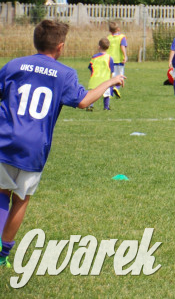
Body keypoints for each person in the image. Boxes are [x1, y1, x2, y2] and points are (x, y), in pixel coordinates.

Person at [0, 20, 125, 268]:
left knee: (1, 193)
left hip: (5, 138)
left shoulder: (13, 65)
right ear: (60, 46)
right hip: (35, 147)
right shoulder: (64, 73)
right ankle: (3, 254)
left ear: (35, 42)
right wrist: (110, 81)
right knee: (21, 199)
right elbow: (83, 101)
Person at [86, 38, 114, 112]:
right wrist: (111, 80)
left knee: (93, 94)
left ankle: (90, 105)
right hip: (105, 79)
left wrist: (91, 75)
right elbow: (111, 70)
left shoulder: (94, 57)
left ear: (99, 46)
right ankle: (106, 107)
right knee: (106, 94)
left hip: (95, 79)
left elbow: (91, 67)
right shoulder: (109, 58)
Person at [106, 21, 128, 98]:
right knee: (120, 76)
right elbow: (122, 47)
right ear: (118, 29)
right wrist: (125, 56)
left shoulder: (108, 38)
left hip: (109, 60)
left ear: (109, 30)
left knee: (111, 76)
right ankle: (116, 87)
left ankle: (111, 92)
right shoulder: (122, 37)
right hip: (119, 60)